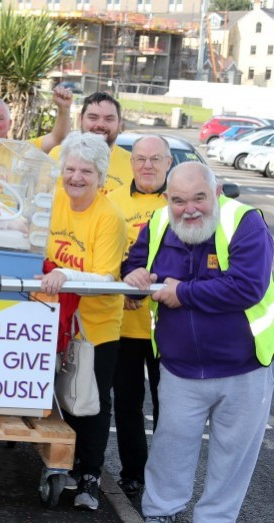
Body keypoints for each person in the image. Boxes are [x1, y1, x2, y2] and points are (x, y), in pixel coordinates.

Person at [123, 162, 274, 523]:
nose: (189, 209)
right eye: (178, 201)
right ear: (166, 199)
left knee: (233, 455)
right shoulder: (159, 223)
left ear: (217, 192)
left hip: (244, 367)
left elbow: (248, 287)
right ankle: (161, 512)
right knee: (170, 447)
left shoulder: (245, 222)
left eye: (199, 198)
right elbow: (134, 265)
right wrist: (133, 276)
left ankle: (215, 519)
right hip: (180, 367)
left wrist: (183, 293)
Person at [39, 131, 126, 511]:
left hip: (95, 325)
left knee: (89, 402)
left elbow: (106, 277)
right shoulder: (54, 200)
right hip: (55, 317)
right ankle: (64, 463)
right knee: (61, 395)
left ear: (101, 177)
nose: (76, 177)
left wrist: (64, 273)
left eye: (86, 171)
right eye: (70, 169)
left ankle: (90, 474)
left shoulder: (109, 218)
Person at [107, 134, 171, 498]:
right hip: (125, 323)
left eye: (155, 159)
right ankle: (134, 472)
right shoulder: (112, 201)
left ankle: (163, 475)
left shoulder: (181, 203)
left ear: (168, 164)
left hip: (168, 328)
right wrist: (122, 285)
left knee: (170, 407)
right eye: (140, 159)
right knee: (128, 403)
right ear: (131, 165)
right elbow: (105, 256)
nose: (147, 165)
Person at [45, 92, 132, 194]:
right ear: (80, 119)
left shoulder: (133, 164)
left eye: (109, 119)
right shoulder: (57, 155)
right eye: (93, 118)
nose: (100, 124)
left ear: (119, 123)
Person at [0, 85, 74, 154]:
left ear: (9, 124)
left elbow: (57, 139)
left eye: (0, 119)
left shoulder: (20, 151)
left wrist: (64, 109)